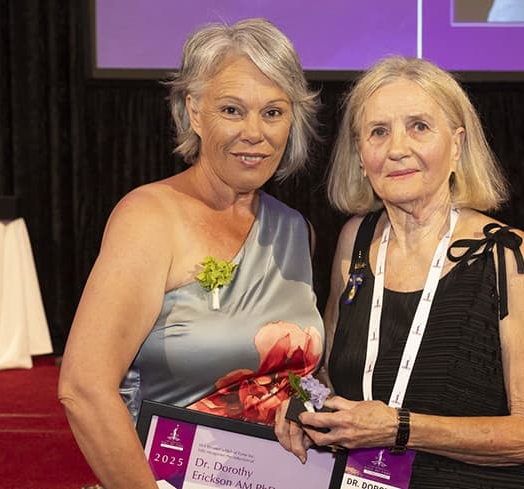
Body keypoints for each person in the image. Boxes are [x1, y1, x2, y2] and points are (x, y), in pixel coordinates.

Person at [58, 18, 324, 488]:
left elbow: (305, 377)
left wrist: (307, 407)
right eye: (232, 110)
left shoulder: (297, 230)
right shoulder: (149, 218)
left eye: (273, 112)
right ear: (194, 111)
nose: (254, 132)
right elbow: (84, 389)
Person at [273, 56, 524, 488]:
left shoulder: (504, 253)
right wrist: (302, 407)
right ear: (361, 154)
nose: (397, 149)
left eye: (419, 127)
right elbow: (328, 376)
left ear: (457, 145)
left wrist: (399, 428)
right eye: (378, 131)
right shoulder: (355, 241)